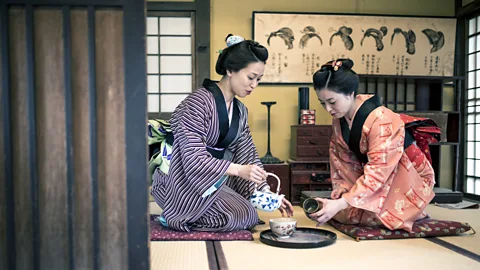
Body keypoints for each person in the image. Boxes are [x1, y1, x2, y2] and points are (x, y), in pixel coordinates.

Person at [151, 34, 294, 232]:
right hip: (178, 180)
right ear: (230, 70)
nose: (254, 85)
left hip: (208, 181)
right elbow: (192, 157)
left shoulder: (240, 111)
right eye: (251, 77)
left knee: (248, 215)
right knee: (239, 216)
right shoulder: (197, 102)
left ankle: (194, 213)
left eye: (259, 79)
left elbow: (248, 155)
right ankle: (173, 214)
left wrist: (268, 192)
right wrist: (237, 170)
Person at [308, 58, 441, 232]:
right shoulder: (339, 119)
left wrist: (342, 203)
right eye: (322, 103)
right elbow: (341, 158)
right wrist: (343, 189)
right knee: (346, 212)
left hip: (405, 174)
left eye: (332, 102)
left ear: (350, 93)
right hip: (378, 174)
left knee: (370, 216)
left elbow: (380, 169)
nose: (328, 109)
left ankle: (413, 209)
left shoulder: (382, 119)